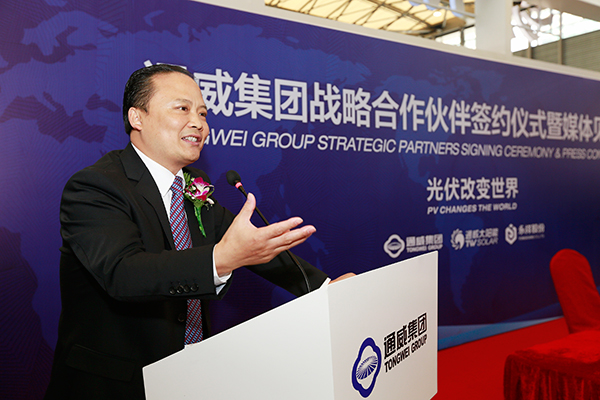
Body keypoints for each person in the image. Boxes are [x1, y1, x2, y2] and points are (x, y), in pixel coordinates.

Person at [45, 64, 349, 399]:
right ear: (137, 117)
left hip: (189, 375)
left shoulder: (193, 186)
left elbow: (251, 247)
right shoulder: (96, 186)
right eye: (182, 109)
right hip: (115, 384)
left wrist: (324, 288)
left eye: (202, 113)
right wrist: (219, 260)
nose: (198, 123)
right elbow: (123, 273)